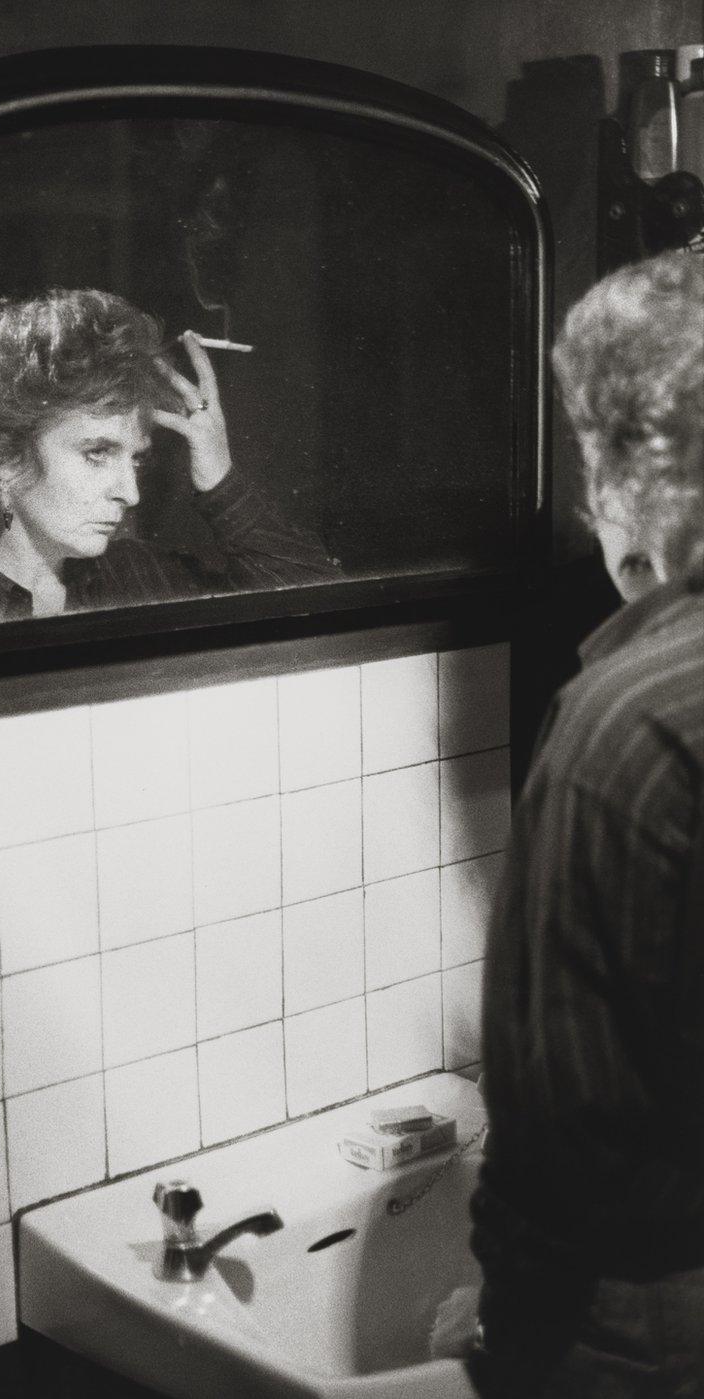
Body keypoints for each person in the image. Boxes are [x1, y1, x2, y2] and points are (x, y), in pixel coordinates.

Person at [431, 250, 704, 1396]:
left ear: (625, 488)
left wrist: (504, 1319)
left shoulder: (621, 731)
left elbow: (561, 1137)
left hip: (650, 1311)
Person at [0, 287, 337, 628]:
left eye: (135, 460)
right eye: (97, 453)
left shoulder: (135, 575)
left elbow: (320, 603)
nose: (130, 495)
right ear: (2, 457)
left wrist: (219, 477)